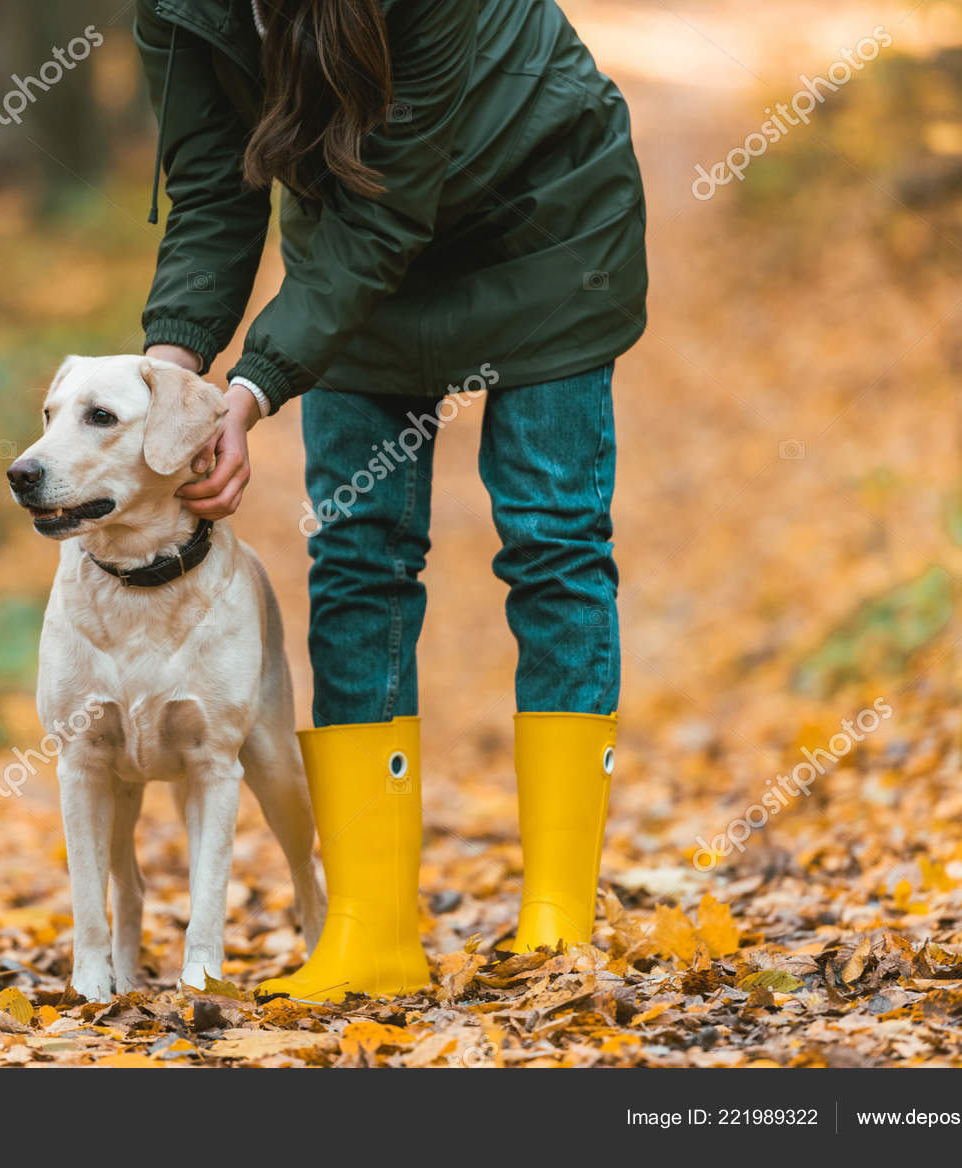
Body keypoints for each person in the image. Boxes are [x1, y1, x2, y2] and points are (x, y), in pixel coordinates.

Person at [136, 0, 646, 1000]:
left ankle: (557, 920)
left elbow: (386, 213)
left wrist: (255, 388)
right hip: (360, 256)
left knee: (553, 540)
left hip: (543, 224)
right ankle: (369, 928)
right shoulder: (179, 6)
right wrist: (171, 394)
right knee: (359, 552)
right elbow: (213, 193)